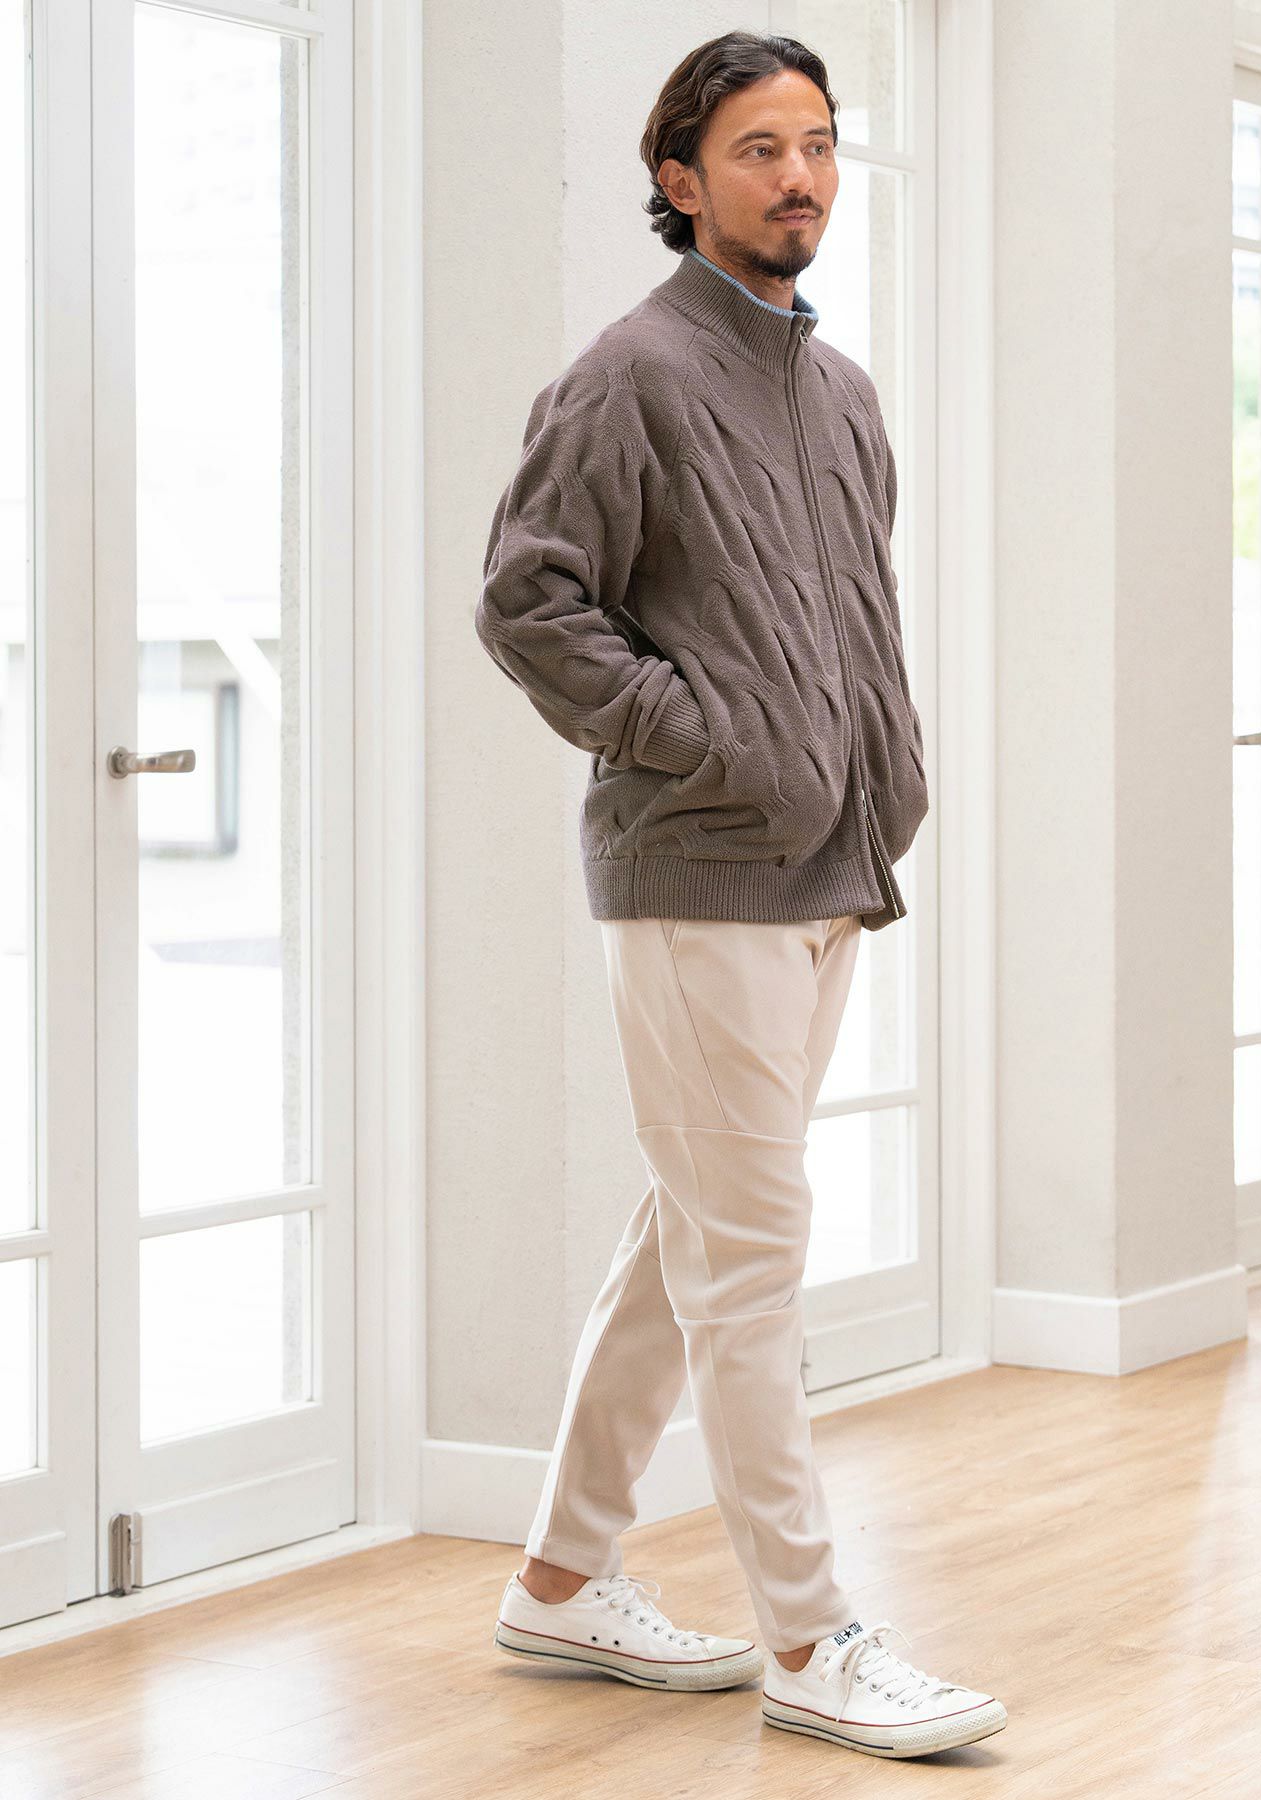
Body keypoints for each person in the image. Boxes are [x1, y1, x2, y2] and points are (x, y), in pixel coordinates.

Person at [475, 28, 1005, 1761]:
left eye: (819, 144)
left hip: (831, 866)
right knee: (752, 1256)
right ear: (681, 178)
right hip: (700, 871)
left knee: (696, 1230)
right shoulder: (629, 374)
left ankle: (561, 1578)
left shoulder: (839, 392)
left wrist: (875, 779)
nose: (800, 177)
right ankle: (812, 1636)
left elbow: (856, 620)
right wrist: (703, 743)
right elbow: (529, 601)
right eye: (761, 149)